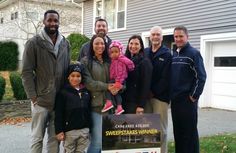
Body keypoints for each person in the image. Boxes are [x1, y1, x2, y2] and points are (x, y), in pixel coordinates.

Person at [21, 10, 70, 153]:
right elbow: (26, 72)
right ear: (44, 22)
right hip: (41, 101)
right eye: (49, 20)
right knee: (37, 138)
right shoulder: (34, 43)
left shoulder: (65, 43)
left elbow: (67, 70)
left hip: (59, 100)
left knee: (55, 139)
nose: (53, 23)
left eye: (55, 21)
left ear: (59, 22)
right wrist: (33, 97)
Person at [170, 26, 207, 153]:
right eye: (176, 36)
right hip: (175, 100)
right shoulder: (174, 54)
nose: (178, 39)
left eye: (181, 36)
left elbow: (201, 76)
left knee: (189, 133)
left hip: (187, 100)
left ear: (187, 37)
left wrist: (194, 95)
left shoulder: (194, 53)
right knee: (178, 132)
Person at [80, 34, 116, 153]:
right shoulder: (85, 62)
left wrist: (119, 86)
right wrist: (107, 86)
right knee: (97, 142)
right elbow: (89, 83)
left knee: (108, 143)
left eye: (102, 43)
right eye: (96, 43)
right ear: (92, 45)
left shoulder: (110, 60)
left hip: (111, 106)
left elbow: (118, 78)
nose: (100, 46)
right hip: (96, 106)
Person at [144, 26, 172, 153]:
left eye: (158, 35)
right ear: (150, 37)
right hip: (146, 97)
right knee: (148, 128)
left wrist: (153, 91)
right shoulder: (145, 52)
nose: (155, 37)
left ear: (162, 37)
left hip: (160, 97)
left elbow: (166, 78)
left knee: (160, 130)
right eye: (153, 34)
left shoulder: (167, 54)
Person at [54, 63, 91, 153]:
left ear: (81, 78)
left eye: (78, 76)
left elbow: (88, 111)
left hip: (84, 130)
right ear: (68, 77)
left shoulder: (86, 92)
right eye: (73, 76)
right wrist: (59, 131)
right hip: (70, 131)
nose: (75, 78)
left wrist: (89, 127)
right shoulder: (63, 93)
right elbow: (59, 113)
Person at [101, 40, 134, 115]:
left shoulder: (121, 60)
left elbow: (121, 72)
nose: (114, 54)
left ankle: (109, 102)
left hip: (119, 80)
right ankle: (119, 107)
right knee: (117, 94)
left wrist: (118, 82)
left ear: (120, 51)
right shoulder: (113, 60)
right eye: (112, 52)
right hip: (115, 79)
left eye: (116, 51)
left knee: (108, 87)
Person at [122, 35, 153, 114]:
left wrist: (141, 106)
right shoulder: (124, 60)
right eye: (131, 43)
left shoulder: (145, 62)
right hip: (124, 101)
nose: (133, 46)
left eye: (136, 44)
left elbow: (146, 85)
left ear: (141, 46)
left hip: (135, 103)